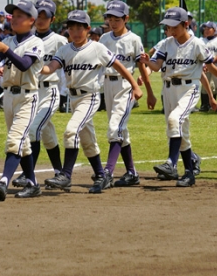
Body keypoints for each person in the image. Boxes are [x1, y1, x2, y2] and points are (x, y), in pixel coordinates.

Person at [43, 10, 143, 194]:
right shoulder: (64, 50)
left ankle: (65, 175)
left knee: (71, 131)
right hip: (74, 98)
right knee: (87, 140)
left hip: (90, 97)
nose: (74, 31)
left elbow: (119, 66)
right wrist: (36, 67)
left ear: (88, 29)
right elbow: (51, 67)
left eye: (79, 27)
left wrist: (135, 86)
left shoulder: (97, 48)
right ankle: (100, 175)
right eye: (71, 27)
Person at [140, 7, 217, 187]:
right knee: (179, 132)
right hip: (169, 89)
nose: (170, 30)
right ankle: (189, 173)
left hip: (188, 89)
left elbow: (211, 66)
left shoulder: (197, 44)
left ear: (185, 24)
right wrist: (148, 62)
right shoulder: (167, 43)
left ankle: (171, 162)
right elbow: (156, 65)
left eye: (174, 26)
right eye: (167, 27)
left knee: (174, 120)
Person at [0, 0, 45, 201]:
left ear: (31, 20)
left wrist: (4, 49)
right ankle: (33, 184)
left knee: (15, 140)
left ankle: (3, 180)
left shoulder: (36, 42)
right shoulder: (10, 41)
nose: (14, 19)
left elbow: (24, 64)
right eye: (14, 15)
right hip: (9, 96)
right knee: (24, 144)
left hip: (27, 96)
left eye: (20, 16)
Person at [11, 0, 68, 188]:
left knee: (32, 130)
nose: (42, 19)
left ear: (53, 19)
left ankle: (28, 174)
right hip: (32, 93)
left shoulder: (60, 41)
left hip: (49, 92)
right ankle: (60, 173)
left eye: (46, 16)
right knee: (48, 135)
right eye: (39, 15)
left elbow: (70, 63)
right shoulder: (28, 40)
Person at [98, 0, 156, 187]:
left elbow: (141, 66)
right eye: (110, 18)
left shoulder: (134, 39)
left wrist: (149, 92)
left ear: (126, 18)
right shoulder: (104, 39)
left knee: (115, 128)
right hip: (108, 85)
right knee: (120, 130)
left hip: (126, 86)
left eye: (117, 19)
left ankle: (107, 172)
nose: (113, 22)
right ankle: (131, 173)